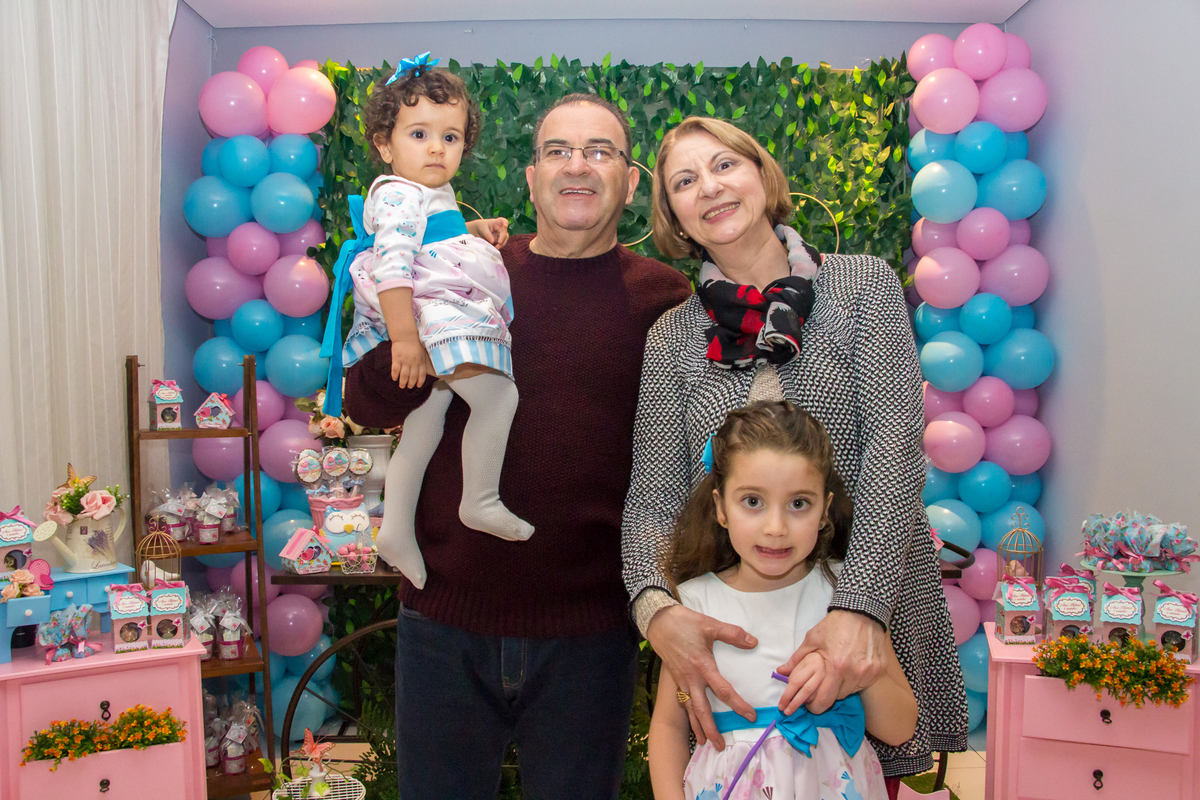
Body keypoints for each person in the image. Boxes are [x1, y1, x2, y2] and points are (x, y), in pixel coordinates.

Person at [341, 92, 692, 798]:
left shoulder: (667, 298)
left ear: (629, 183)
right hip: (444, 621)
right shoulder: (473, 268)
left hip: (590, 636)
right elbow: (365, 402)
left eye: (601, 151)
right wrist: (435, 339)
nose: (577, 166)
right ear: (530, 177)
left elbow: (682, 461)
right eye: (557, 150)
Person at [622, 116, 968, 792]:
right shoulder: (672, 336)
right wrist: (656, 610)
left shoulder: (862, 286)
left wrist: (859, 610)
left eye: (725, 165)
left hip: (866, 596)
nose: (711, 188)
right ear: (676, 218)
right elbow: (652, 497)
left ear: (762, 174)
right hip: (738, 621)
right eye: (686, 182)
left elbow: (895, 452)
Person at [319, 55, 531, 591]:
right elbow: (393, 265)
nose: (437, 148)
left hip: (429, 308)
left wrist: (475, 227)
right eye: (419, 133)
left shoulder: (421, 193)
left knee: (425, 418)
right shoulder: (397, 192)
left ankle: (393, 528)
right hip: (423, 314)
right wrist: (405, 342)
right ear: (386, 146)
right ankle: (479, 498)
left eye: (451, 136)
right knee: (498, 397)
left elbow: (432, 231)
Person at [648, 401, 917, 800]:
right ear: (721, 508)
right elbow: (669, 727)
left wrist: (855, 672)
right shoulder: (694, 604)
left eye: (798, 504)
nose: (775, 528)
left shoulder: (847, 594)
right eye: (752, 501)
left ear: (825, 510)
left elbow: (899, 728)